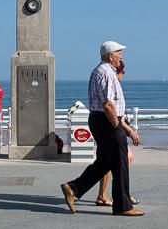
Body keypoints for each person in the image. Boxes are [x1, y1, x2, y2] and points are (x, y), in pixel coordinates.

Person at [60, 41, 143, 217]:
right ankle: (123, 206)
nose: (121, 57)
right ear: (110, 55)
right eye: (119, 53)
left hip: (100, 121)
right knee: (120, 164)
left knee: (105, 162)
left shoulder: (102, 71)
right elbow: (108, 105)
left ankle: (73, 188)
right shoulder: (106, 73)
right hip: (107, 122)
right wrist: (117, 126)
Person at [96, 60, 138, 208]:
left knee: (109, 162)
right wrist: (128, 131)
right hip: (111, 129)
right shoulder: (109, 79)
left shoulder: (108, 79)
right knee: (113, 162)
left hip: (107, 127)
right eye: (122, 73)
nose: (123, 76)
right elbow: (113, 112)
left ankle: (117, 194)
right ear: (118, 72)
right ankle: (114, 195)